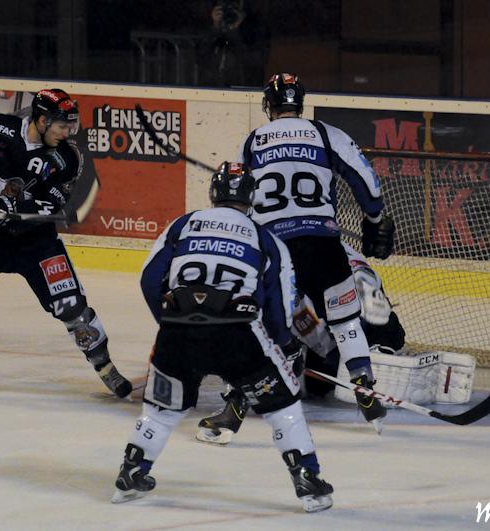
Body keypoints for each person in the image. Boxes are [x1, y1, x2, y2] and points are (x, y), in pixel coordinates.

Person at [112, 162, 333, 513]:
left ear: (214, 193)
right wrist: (282, 342)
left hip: (179, 333)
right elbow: (280, 303)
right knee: (284, 407)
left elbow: (149, 279)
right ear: (251, 197)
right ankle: (307, 478)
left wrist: (170, 322)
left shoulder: (183, 224)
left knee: (161, 410)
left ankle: (132, 472)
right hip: (238, 336)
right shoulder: (266, 239)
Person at [0, 88, 132, 399]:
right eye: (62, 125)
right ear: (41, 120)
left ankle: (105, 366)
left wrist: (8, 209)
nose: (67, 132)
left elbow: (53, 206)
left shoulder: (66, 158)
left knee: (71, 308)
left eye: (70, 125)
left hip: (36, 245)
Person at [237, 72, 396, 430]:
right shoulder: (326, 134)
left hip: (276, 250)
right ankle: (363, 383)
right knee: (345, 320)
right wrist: (374, 218)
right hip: (323, 242)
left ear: (269, 105)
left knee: (268, 321)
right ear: (300, 102)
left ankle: (247, 394)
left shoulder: (253, 142)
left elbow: (238, 197)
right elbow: (365, 181)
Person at [197, 242, 406, 444]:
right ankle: (238, 400)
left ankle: (374, 368)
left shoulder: (284, 258)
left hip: (351, 345)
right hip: (333, 353)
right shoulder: (295, 258)